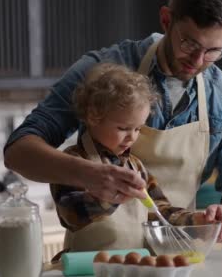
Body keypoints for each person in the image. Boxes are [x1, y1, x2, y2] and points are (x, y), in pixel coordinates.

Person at [5, 0, 222, 243]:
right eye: (189, 44)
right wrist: (87, 174)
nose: (198, 61)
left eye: (213, 51)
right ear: (166, 20)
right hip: (97, 263)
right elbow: (18, 152)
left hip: (173, 264)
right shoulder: (101, 70)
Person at [52, 63, 206, 250]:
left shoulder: (136, 166)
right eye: (123, 128)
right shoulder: (74, 162)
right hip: (88, 267)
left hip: (133, 267)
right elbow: (70, 214)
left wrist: (195, 220)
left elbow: (160, 212)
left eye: (138, 129)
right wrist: (108, 197)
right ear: (93, 116)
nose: (132, 136)